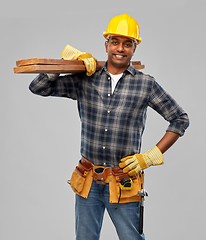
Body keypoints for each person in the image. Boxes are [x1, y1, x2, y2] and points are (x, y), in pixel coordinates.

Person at [29, 14, 189, 240]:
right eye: (115, 42)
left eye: (127, 43)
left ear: (135, 48)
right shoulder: (85, 77)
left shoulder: (145, 84)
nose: (120, 48)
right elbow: (38, 88)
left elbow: (180, 118)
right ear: (106, 44)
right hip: (88, 180)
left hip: (123, 180)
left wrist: (150, 156)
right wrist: (62, 64)